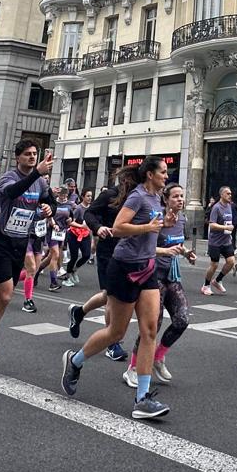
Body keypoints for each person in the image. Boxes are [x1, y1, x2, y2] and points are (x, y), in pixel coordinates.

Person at [59, 155, 172, 420]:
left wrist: (162, 227)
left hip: (147, 269)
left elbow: (150, 232)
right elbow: (119, 227)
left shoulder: (157, 198)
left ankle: (142, 399)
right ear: (150, 175)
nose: (167, 176)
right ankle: (74, 362)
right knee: (116, 332)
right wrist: (149, 226)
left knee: (150, 329)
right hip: (124, 268)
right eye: (163, 172)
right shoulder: (137, 196)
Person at [0, 140, 54, 378]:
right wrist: (37, 173)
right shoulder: (9, 177)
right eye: (27, 154)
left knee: (4, 300)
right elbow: (11, 193)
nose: (32, 158)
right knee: (4, 296)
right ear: (17, 157)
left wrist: (49, 209)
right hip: (1, 240)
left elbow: (49, 201)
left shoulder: (41, 182)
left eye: (35, 154)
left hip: (20, 242)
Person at [122, 182, 192, 386]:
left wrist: (186, 252)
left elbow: (176, 243)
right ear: (166, 199)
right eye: (175, 196)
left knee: (182, 320)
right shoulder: (157, 218)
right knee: (152, 326)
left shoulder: (182, 219)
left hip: (172, 276)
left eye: (182, 196)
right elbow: (146, 247)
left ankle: (158, 357)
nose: (180, 199)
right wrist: (164, 252)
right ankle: (133, 368)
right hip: (154, 276)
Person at [65, 169, 135, 361]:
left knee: (107, 295)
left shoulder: (140, 198)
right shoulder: (109, 195)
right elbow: (90, 214)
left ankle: (79, 312)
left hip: (130, 253)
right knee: (112, 297)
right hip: (109, 251)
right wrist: (98, 227)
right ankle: (112, 344)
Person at [201, 186, 237, 294]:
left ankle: (217, 280)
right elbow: (212, 225)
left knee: (231, 261)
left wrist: (230, 228)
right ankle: (206, 285)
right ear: (221, 195)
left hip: (226, 240)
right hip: (215, 241)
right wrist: (225, 227)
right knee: (214, 264)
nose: (230, 195)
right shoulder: (216, 207)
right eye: (227, 193)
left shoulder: (230, 206)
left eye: (230, 193)